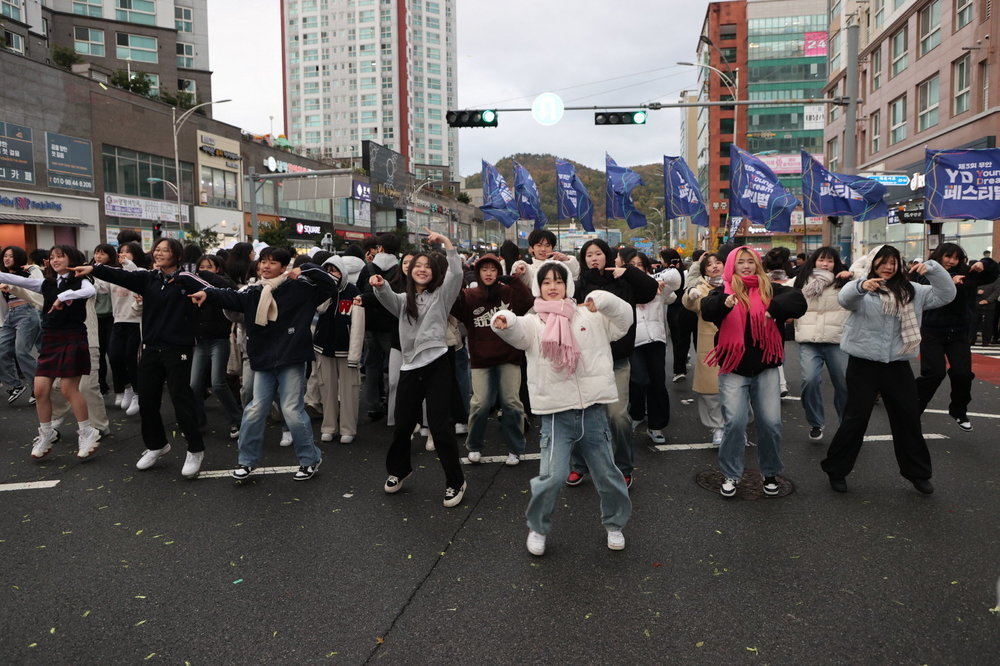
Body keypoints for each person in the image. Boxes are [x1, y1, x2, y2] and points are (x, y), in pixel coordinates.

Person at [491, 260, 633, 555]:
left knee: (607, 473)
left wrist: (603, 300)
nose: (552, 287)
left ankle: (615, 525)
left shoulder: (589, 313)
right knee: (552, 477)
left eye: (558, 281)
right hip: (556, 415)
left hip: (593, 411)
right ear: (538, 287)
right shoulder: (533, 322)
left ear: (567, 284)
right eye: (546, 282)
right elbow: (516, 331)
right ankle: (538, 528)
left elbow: (625, 320)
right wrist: (504, 320)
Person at [189, 246, 338, 481]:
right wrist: (208, 294)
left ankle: (309, 459)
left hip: (291, 357)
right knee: (255, 409)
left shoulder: (301, 287)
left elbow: (330, 285)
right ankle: (247, 461)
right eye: (262, 262)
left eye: (271, 262)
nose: (265, 267)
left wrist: (305, 269)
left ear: (283, 266)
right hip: (263, 358)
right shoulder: (254, 291)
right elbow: (231, 296)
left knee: (291, 410)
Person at [821, 245, 955, 494]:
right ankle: (836, 470)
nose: (888, 266)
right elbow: (844, 299)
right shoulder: (863, 288)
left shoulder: (913, 291)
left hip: (897, 364)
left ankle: (918, 474)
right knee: (855, 419)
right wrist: (861, 286)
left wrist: (934, 269)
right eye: (882, 262)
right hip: (863, 364)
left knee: (908, 419)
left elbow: (947, 295)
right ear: (873, 264)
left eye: (893, 262)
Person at [79, 238, 207, 478]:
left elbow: (211, 288)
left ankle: (195, 449)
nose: (158, 254)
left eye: (164, 250)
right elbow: (120, 276)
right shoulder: (148, 278)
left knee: (181, 401)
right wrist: (94, 269)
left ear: (177, 256)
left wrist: (206, 295)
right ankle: (157, 445)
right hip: (150, 348)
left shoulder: (186, 279)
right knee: (147, 402)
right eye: (156, 250)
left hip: (178, 349)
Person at [700, 246, 807, 498]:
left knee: (770, 424)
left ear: (758, 265)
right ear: (732, 267)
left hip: (766, 367)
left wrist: (774, 310)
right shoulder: (722, 291)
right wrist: (725, 303)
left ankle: (770, 473)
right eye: (740, 262)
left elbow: (798, 301)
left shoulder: (771, 289)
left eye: (751, 261)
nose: (746, 266)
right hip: (733, 368)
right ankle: (730, 474)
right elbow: (708, 309)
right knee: (735, 423)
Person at [371, 231, 466, 508]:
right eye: (417, 266)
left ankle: (455, 482)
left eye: (427, 266)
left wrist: (447, 243)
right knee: (402, 425)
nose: (422, 270)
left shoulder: (442, 296)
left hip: (437, 364)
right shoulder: (402, 300)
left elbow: (456, 274)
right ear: (410, 272)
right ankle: (399, 470)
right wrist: (379, 285)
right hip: (410, 367)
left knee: (439, 426)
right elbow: (386, 297)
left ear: (434, 272)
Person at [567, 239, 655, 490]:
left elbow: (648, 290)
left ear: (607, 256)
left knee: (618, 416)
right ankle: (578, 466)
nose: (594, 258)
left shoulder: (623, 281)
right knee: (579, 415)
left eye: (598, 254)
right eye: (589, 255)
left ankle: (624, 467)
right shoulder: (578, 285)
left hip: (617, 360)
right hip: (585, 362)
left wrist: (629, 271)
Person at [0, 246, 99, 459]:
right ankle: (46, 434)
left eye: (60, 256)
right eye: (52, 257)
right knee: (40, 389)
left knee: (67, 389)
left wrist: (63, 297)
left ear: (72, 258)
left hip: (73, 336)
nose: (54, 260)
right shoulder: (47, 283)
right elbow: (17, 280)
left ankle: (87, 432)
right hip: (51, 337)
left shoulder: (81, 280)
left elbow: (90, 292)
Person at [451, 253, 533, 465]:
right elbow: (451, 304)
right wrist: (456, 278)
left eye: (493, 269)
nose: (489, 273)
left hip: (510, 357)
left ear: (499, 272)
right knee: (480, 403)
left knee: (512, 403)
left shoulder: (508, 293)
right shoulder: (468, 295)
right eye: (484, 269)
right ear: (478, 272)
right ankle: (474, 446)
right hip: (480, 359)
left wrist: (514, 279)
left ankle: (516, 448)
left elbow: (527, 301)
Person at [913, 243, 997, 431]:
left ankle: (959, 410)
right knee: (934, 373)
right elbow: (919, 283)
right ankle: (913, 409)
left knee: (963, 374)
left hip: (958, 332)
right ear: (939, 256)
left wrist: (985, 263)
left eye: (956, 258)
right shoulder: (926, 269)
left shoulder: (967, 273)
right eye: (948, 257)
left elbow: (992, 273)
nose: (952, 261)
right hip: (931, 331)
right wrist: (948, 279)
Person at [792, 246, 853, 441]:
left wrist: (852, 274)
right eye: (821, 260)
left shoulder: (844, 281)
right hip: (809, 340)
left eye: (829, 261)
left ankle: (846, 423)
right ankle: (816, 423)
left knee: (843, 383)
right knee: (809, 381)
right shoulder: (801, 280)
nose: (825, 264)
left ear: (836, 263)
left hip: (837, 340)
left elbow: (865, 278)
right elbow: (782, 293)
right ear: (814, 261)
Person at [626, 251, 680, 444]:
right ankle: (637, 413)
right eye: (631, 264)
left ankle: (656, 426)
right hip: (633, 341)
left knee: (657, 383)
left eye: (639, 264)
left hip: (656, 339)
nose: (635, 268)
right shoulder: (623, 288)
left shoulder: (657, 284)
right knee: (639, 379)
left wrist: (654, 280)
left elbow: (675, 278)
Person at [189, 255, 242, 440]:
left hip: (219, 340)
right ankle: (198, 422)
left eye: (208, 267)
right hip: (200, 342)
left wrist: (208, 278)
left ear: (218, 269)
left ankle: (237, 420)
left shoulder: (223, 285)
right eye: (201, 267)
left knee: (218, 383)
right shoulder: (192, 287)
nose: (204, 270)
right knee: (194, 385)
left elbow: (234, 293)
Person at [313, 255, 365, 444]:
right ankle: (328, 427)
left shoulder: (353, 291)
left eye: (334, 270)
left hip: (346, 349)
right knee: (326, 389)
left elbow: (358, 325)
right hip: (323, 346)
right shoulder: (320, 290)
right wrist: (325, 289)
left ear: (342, 272)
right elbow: (318, 310)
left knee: (349, 390)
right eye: (326, 270)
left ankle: (348, 429)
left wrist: (356, 353)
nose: (330, 274)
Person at [682, 252, 725, 446]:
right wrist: (691, 296)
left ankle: (735, 426)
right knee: (711, 391)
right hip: (710, 345)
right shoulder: (701, 288)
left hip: (736, 342)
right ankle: (718, 427)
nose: (714, 266)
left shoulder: (736, 284)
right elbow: (689, 304)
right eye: (709, 264)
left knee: (738, 389)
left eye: (718, 262)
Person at [358, 232, 402, 421]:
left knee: (371, 365)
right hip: (392, 325)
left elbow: (359, 292)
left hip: (369, 324)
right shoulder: (400, 270)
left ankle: (373, 405)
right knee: (394, 368)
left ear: (380, 248)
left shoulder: (368, 268)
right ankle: (394, 407)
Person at [0, 245, 42, 405]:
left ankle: (38, 388)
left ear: (18, 258)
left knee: (21, 352)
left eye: (10, 256)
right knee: (2, 350)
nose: (7, 258)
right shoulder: (3, 275)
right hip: (10, 315)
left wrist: (34, 267)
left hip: (27, 312)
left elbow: (39, 285)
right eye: (5, 256)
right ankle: (14, 385)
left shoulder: (26, 273)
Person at [108, 242, 144, 414]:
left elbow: (134, 274)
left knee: (131, 358)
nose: (123, 255)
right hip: (118, 320)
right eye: (121, 252)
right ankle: (127, 387)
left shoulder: (141, 272)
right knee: (114, 357)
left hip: (136, 321)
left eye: (127, 252)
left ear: (135, 255)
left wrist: (127, 264)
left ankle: (138, 393)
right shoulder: (115, 273)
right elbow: (99, 288)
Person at [662, 248, 697, 382]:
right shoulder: (686, 272)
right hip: (688, 307)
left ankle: (679, 370)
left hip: (674, 309)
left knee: (678, 341)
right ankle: (697, 367)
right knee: (692, 339)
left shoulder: (664, 274)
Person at [90, 244, 118, 395]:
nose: (98, 256)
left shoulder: (114, 271)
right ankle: (101, 384)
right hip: (95, 316)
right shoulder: (90, 269)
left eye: (102, 254)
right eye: (96, 253)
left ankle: (120, 384)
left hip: (112, 316)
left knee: (112, 352)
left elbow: (105, 288)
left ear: (110, 256)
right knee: (98, 352)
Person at [510, 228, 580, 288]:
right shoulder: (529, 269)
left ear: (552, 248)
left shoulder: (560, 266)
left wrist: (566, 259)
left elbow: (575, 273)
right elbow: (520, 277)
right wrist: (519, 268)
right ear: (532, 248)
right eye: (539, 245)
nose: (543, 249)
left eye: (547, 246)